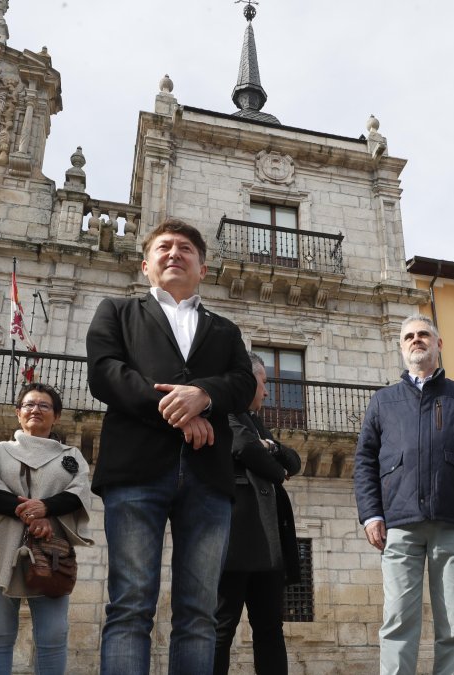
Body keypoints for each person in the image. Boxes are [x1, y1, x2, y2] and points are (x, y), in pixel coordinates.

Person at [86, 217, 256, 674]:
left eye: (186, 248)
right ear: (146, 264)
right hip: (136, 471)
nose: (175, 253)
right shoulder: (116, 312)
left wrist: (204, 395)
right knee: (129, 604)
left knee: (199, 613)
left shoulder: (224, 330)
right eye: (164, 247)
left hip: (208, 476)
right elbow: (106, 374)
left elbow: (243, 383)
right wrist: (181, 414)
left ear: (202, 268)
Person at [353, 314, 454, 675]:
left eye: (423, 335)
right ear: (402, 347)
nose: (416, 340)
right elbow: (364, 461)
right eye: (409, 337)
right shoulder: (383, 401)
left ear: (438, 344)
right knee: (398, 621)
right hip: (399, 524)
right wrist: (371, 514)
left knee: (453, 624)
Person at [0, 383, 94, 675]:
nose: (35, 410)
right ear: (18, 413)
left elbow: (78, 493)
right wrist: (31, 512)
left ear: (57, 416)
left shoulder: (71, 455)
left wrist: (46, 509)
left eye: (44, 406)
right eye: (29, 405)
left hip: (51, 552)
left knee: (53, 635)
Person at [214, 353, 303, 675]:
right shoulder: (225, 411)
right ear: (249, 380)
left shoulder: (257, 422)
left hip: (267, 542)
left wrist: (273, 449)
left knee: (270, 628)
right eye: (264, 383)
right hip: (236, 538)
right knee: (221, 628)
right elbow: (245, 448)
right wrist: (270, 457)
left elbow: (293, 461)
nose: (266, 392)